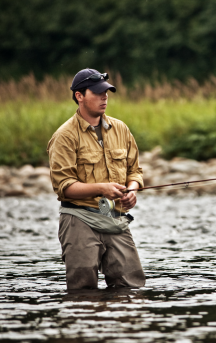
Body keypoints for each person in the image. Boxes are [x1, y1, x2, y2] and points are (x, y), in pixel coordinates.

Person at [47, 68, 146, 290]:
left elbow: (135, 170)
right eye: (98, 92)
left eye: (107, 93)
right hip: (78, 219)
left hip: (114, 216)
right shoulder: (64, 136)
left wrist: (132, 190)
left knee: (131, 288)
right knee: (83, 292)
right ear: (79, 96)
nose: (104, 97)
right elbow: (64, 188)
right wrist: (102, 188)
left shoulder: (121, 129)